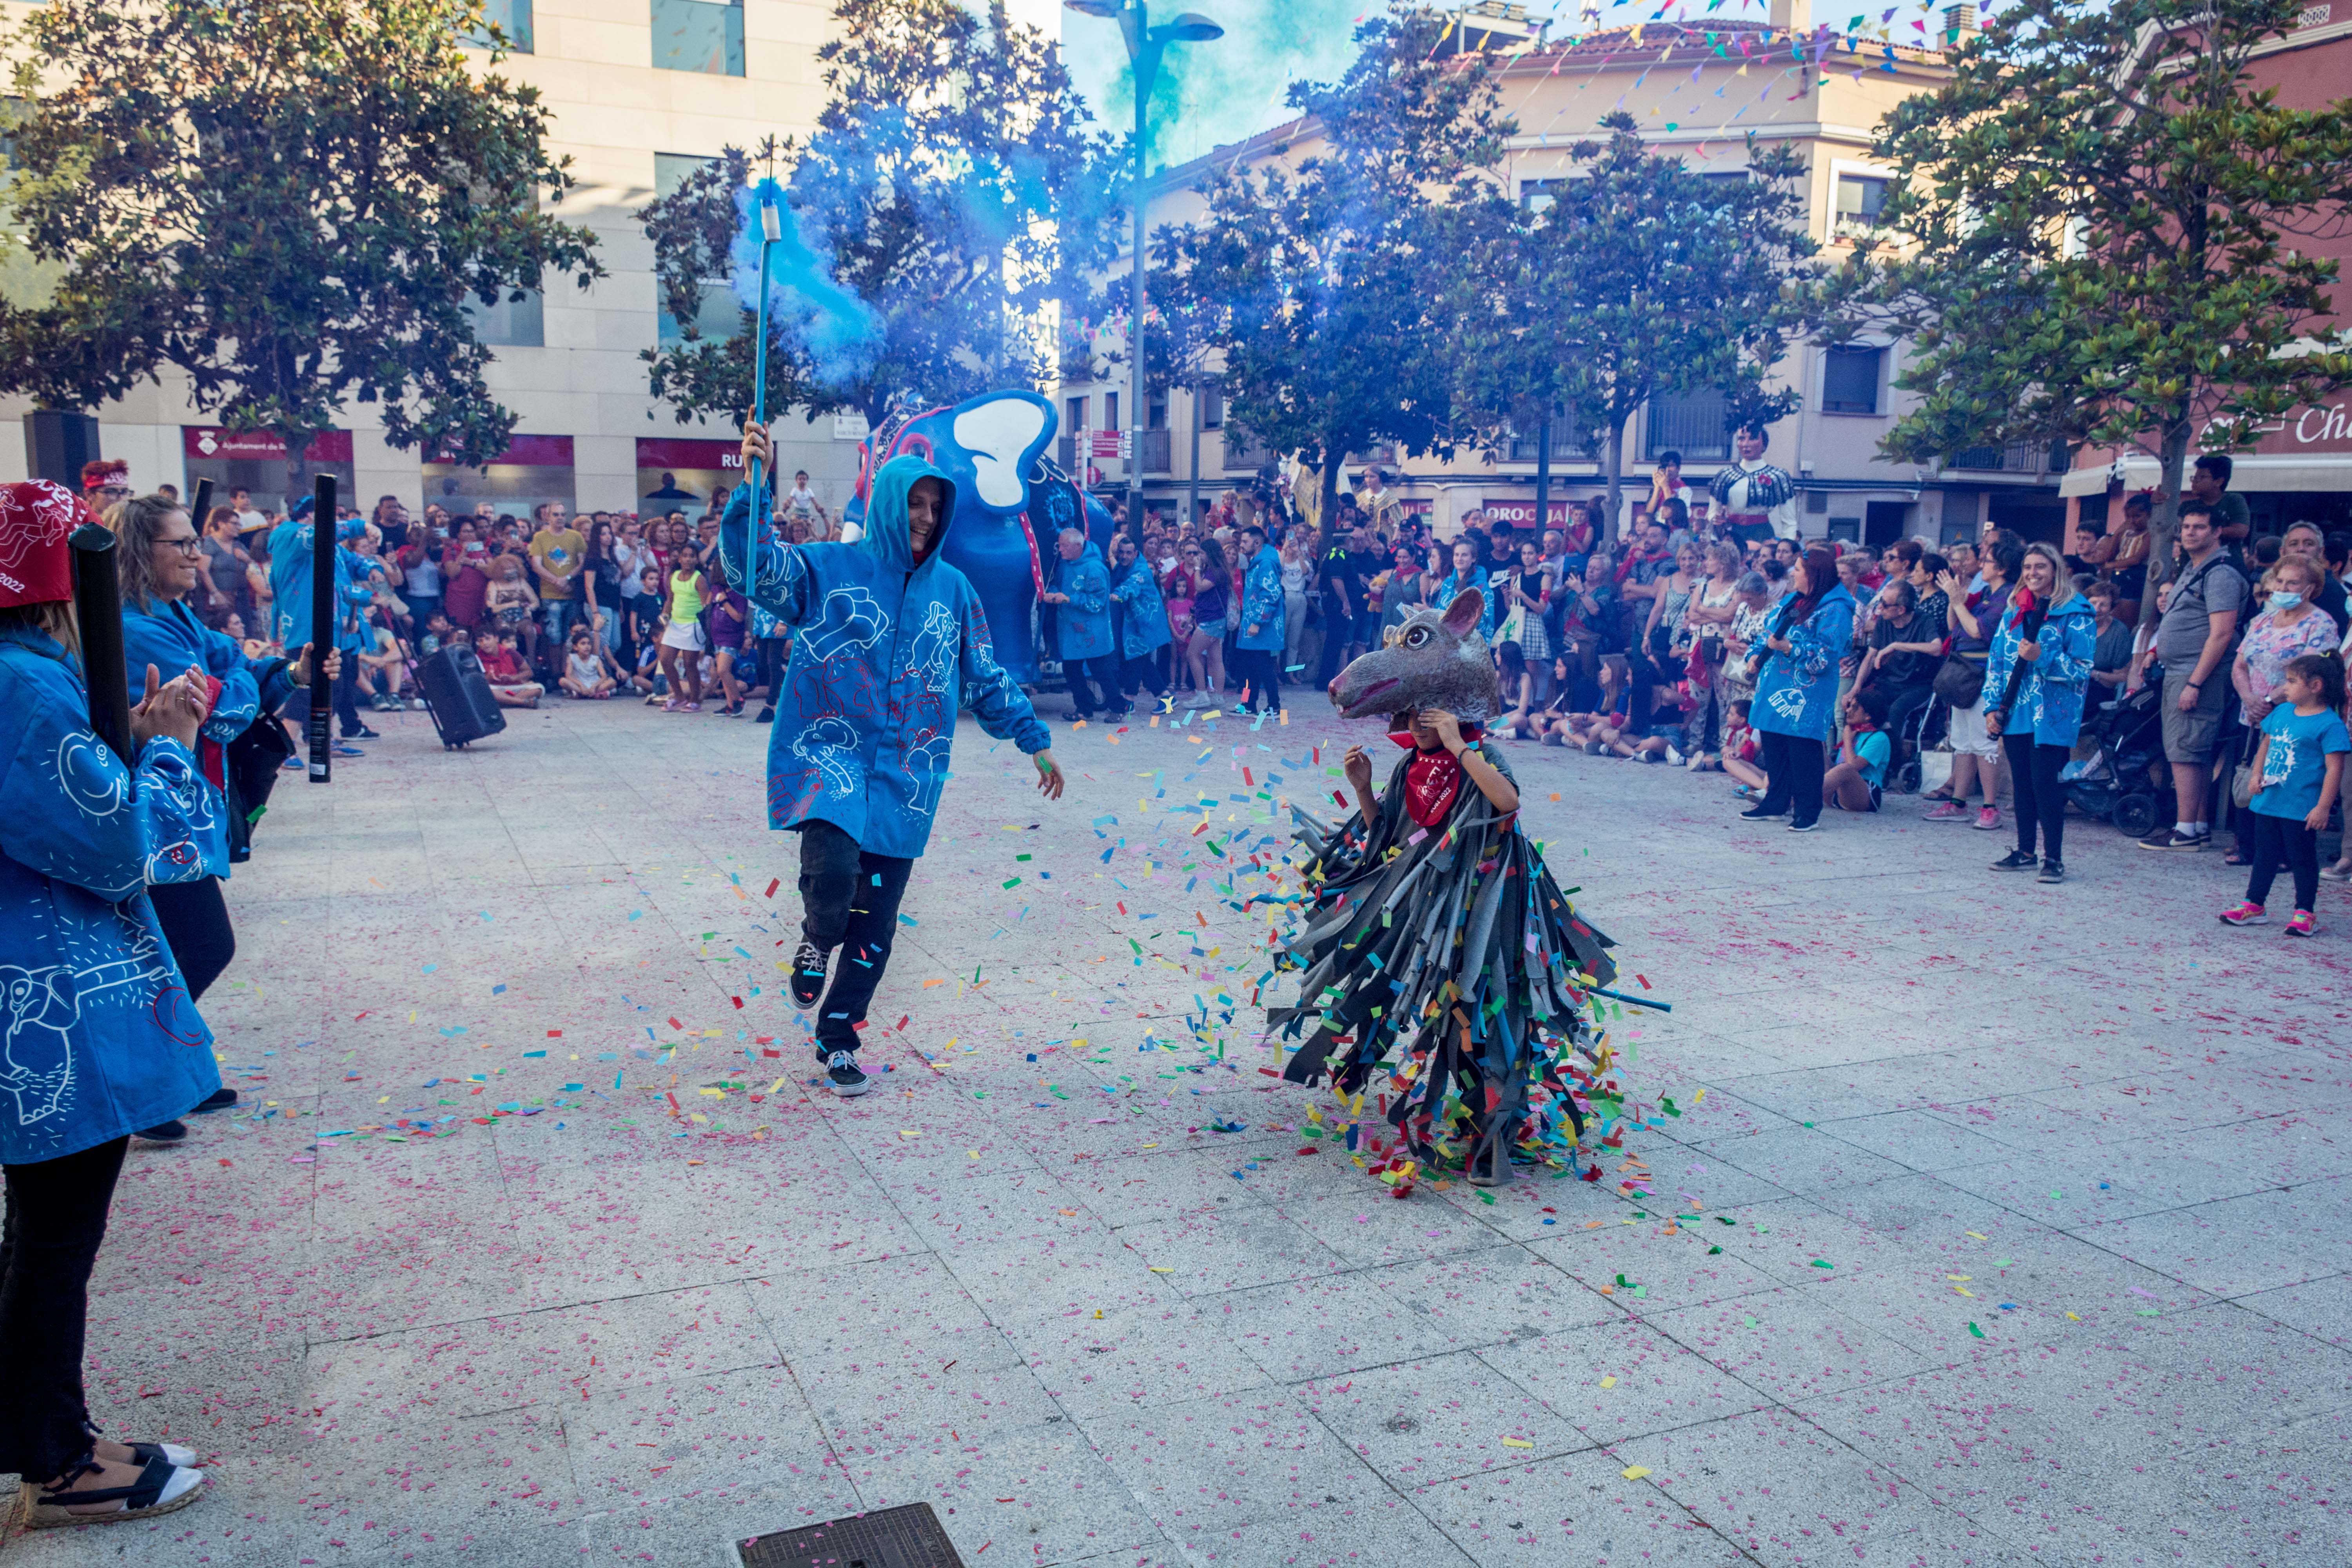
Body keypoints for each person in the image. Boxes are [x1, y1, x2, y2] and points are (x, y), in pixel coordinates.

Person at [722, 419, 1066, 1098]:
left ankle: (839, 1040)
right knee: (831, 881)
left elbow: (986, 675)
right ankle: (817, 937)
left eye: (936, 507)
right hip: (830, 762)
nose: (926, 517)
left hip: (909, 781)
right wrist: (753, 490)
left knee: (876, 929)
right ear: (889, 502)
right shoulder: (828, 568)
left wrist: (1033, 738)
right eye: (915, 503)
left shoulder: (956, 593)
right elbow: (754, 570)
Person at [0, 479, 220, 1528]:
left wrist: (123, 734)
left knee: (37, 1232)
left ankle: (42, 1428)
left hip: (28, 998)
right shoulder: (26, 687)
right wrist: (167, 744)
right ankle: (54, 1456)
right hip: (49, 1013)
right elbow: (122, 847)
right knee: (53, 1237)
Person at [1275, 586, 1617, 1189]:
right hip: (1429, 912)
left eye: (1423, 720)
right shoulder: (1412, 766)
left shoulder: (1477, 756)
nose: (1413, 730)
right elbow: (1390, 838)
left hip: (1487, 909)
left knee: (1484, 1012)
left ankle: (1495, 1136)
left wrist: (1461, 748)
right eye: (1409, 722)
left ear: (1449, 715)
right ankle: (1466, 1112)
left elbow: (1508, 804)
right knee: (1449, 1014)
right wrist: (1361, 787)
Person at [2137, 502, 2248, 851]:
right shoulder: (2195, 566)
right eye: (2186, 527)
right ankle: (2196, 824)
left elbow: (2222, 634)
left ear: (2217, 531)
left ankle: (2184, 830)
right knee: (2190, 750)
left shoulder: (2222, 573)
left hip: (2197, 673)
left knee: (2186, 750)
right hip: (2180, 669)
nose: (2190, 532)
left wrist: (2195, 682)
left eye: (2199, 527)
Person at [1984, 544, 2096, 882]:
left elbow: (2082, 668)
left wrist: (2042, 657)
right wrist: (1991, 707)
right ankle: (2025, 851)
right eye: (2028, 567)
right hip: (2016, 708)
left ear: (2056, 570)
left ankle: (2054, 859)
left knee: (2044, 783)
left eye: (2041, 567)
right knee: (2022, 784)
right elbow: (1997, 665)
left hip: (2052, 714)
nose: (2033, 573)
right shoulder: (2013, 611)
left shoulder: (2077, 612)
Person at [2220, 652, 2348, 936]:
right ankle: (2254, 904)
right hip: (2270, 799)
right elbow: (2266, 744)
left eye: (2291, 682)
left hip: (2300, 805)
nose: (2284, 687)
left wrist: (2323, 807)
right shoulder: (2281, 712)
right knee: (2265, 853)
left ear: (2315, 686)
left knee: (2301, 856)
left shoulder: (2330, 725)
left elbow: (2334, 770)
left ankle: (2305, 911)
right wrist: (2256, 775)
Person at [1740, 545, 1856, 832]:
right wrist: (1754, 655)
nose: (1793, 572)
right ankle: (1775, 803)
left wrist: (1791, 648)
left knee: (1802, 752)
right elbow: (1769, 633)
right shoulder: (1793, 600)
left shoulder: (1836, 609)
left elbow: (1827, 657)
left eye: (1800, 570)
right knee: (1774, 745)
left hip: (1807, 695)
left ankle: (1807, 811)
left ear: (1815, 575)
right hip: (1774, 686)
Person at [1926, 537, 2019, 829]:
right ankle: (1958, 803)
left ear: (2003, 568)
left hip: (1984, 677)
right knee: (1964, 744)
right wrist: (1958, 598)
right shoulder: (1988, 593)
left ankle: (1990, 808)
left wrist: (1957, 600)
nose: (1982, 564)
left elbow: (1978, 631)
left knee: (1983, 745)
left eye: (1989, 561)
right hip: (1966, 676)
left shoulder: (2006, 596)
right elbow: (1955, 625)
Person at [1044, 526, 1120, 722]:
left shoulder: (1094, 568)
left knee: (1101, 671)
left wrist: (1068, 599)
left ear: (1077, 546)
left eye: (1063, 546)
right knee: (1071, 671)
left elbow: (1097, 602)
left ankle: (1118, 710)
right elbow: (1056, 584)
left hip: (1091, 632)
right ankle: (1084, 709)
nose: (1059, 550)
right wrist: (1052, 594)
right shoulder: (1065, 564)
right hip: (1070, 632)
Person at [1108, 533, 1172, 710]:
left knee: (1136, 660)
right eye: (1122, 552)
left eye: (1129, 553)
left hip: (1146, 624)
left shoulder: (1142, 570)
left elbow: (1131, 586)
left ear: (1136, 554)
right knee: (1142, 661)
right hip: (1137, 624)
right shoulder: (1127, 566)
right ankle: (1166, 698)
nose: (1124, 556)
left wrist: (1117, 595)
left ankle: (1129, 701)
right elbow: (1118, 572)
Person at [1708, 423, 1798, 548]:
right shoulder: (1725, 475)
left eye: (1753, 438)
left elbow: (1789, 522)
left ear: (1764, 444)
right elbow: (1712, 513)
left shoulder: (1778, 476)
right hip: (1731, 533)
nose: (1746, 444)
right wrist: (1717, 522)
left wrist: (1787, 548)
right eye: (1741, 439)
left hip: (1762, 533)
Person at [1233, 523, 1286, 716]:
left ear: (1257, 542)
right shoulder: (1257, 561)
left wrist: (1257, 622)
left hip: (1262, 626)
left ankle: (1275, 706)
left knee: (1263, 668)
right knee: (1250, 669)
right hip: (1253, 625)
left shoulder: (1265, 564)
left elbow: (1272, 594)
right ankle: (1248, 705)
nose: (1242, 545)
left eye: (1245, 541)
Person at [657, 542, 708, 713]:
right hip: (675, 625)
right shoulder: (674, 576)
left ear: (696, 559)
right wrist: (665, 615)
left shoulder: (699, 578)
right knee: (665, 660)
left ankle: (694, 700)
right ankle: (679, 696)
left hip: (693, 625)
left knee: (690, 664)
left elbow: (705, 604)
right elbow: (670, 600)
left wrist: (707, 630)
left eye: (692, 556)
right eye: (685, 556)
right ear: (679, 559)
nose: (688, 559)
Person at [525, 501, 583, 652]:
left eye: (563, 515)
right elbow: (536, 565)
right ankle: (555, 674)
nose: (560, 518)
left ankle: (566, 671)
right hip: (550, 594)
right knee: (553, 636)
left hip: (571, 594)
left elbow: (582, 563)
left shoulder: (576, 536)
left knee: (570, 637)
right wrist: (557, 581)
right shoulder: (540, 537)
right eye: (556, 515)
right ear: (548, 516)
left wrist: (567, 579)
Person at [1822, 688, 1892, 812]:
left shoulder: (1879, 738)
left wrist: (1848, 740)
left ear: (1868, 716)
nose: (1848, 711)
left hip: (1865, 797)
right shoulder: (1854, 732)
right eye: (1849, 706)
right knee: (1815, 748)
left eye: (1854, 708)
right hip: (1838, 793)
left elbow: (1851, 767)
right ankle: (1784, 793)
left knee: (1846, 769)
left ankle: (1799, 799)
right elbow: (1836, 768)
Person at [1181, 538, 1230, 708]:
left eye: (1201, 553)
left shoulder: (1215, 572)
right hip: (1214, 619)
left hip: (1211, 621)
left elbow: (1200, 588)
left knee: (1192, 655)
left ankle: (1202, 695)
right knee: (1216, 659)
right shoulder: (1217, 570)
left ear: (1209, 554)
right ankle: (1218, 696)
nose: (1198, 556)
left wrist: (1196, 569)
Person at [1430, 537, 1494, 641]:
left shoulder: (1483, 588)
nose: (1459, 558)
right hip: (1445, 644)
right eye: (1457, 555)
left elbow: (1486, 625)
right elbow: (1438, 612)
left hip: (1470, 647)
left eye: (1464, 555)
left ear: (1474, 559)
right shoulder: (1448, 583)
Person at [2188, 454, 2252, 554]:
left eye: (2202, 477)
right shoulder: (2188, 506)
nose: (2195, 482)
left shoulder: (2234, 501)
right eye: (2194, 478)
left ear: (2219, 482)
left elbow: (2241, 531)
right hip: (2191, 565)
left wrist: (2206, 531)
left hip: (2227, 561)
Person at [476, 630, 544, 707]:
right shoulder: (477, 657)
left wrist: (512, 678)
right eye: (481, 641)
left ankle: (504, 702)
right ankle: (523, 702)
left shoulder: (511, 653)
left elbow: (529, 673)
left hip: (513, 688)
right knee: (486, 690)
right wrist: (488, 678)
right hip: (495, 689)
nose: (484, 643)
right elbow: (477, 683)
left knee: (539, 689)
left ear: (496, 639)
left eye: (488, 639)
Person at [559, 626, 618, 698]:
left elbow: (604, 676)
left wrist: (594, 686)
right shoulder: (572, 658)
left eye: (589, 644)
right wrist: (581, 685)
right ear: (575, 647)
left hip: (594, 685)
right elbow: (569, 676)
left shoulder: (596, 659)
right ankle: (595, 695)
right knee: (562, 681)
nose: (587, 647)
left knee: (613, 682)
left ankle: (581, 694)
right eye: (583, 644)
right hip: (579, 685)